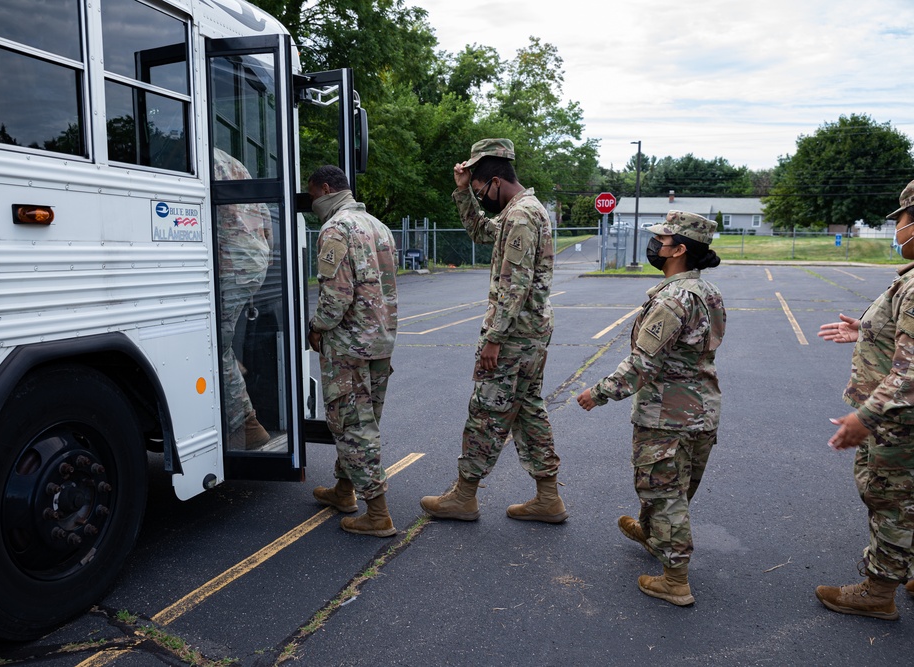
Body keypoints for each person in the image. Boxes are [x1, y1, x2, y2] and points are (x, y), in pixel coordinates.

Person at [577, 210, 725, 607]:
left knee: (663, 491)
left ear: (678, 250)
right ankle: (652, 535)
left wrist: (599, 392)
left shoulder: (673, 299)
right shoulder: (707, 291)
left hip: (667, 414)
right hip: (701, 410)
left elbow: (644, 363)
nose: (654, 245)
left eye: (661, 240)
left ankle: (675, 579)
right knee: (674, 485)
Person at [421, 138, 566, 524]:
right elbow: (481, 232)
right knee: (528, 411)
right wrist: (463, 190)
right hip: (530, 334)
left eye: (482, 189)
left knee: (486, 410)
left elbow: (514, 285)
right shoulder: (524, 210)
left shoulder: (520, 217)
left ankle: (464, 496)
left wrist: (494, 339)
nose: (482, 196)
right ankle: (548, 497)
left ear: (498, 181)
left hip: (514, 336)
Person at [814, 178, 914, 620]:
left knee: (891, 500)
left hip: (898, 422)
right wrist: (867, 331)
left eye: (903, 220)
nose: (898, 230)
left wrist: (866, 418)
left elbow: (910, 371)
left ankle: (878, 591)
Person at [307, 165, 399, 537]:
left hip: (348, 344)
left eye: (312, 196)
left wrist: (316, 327)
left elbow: (336, 295)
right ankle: (344, 490)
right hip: (379, 340)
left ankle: (377, 513)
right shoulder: (379, 226)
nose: (312, 204)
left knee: (352, 425)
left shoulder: (336, 228)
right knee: (362, 419)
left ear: (326, 189)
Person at [215, 147, 273, 450]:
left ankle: (248, 423)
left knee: (215, 345)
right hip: (254, 260)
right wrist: (266, 252)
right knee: (222, 337)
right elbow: (262, 214)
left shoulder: (197, 157)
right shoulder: (234, 163)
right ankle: (234, 365)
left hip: (229, 263)